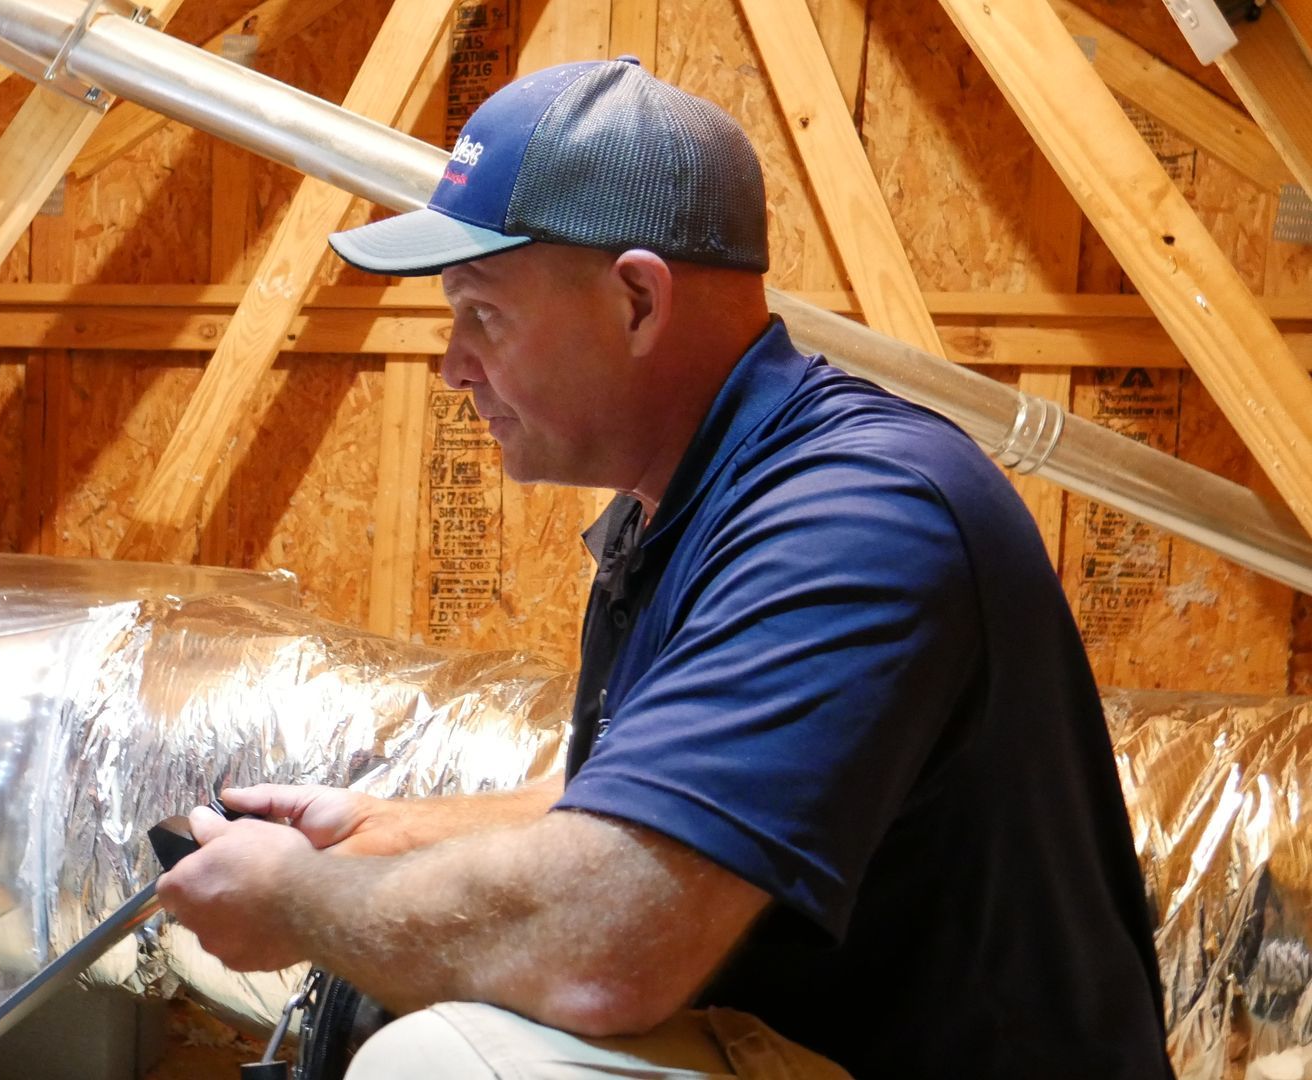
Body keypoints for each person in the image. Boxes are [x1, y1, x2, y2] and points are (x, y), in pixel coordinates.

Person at [156, 57, 1173, 1079]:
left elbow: (609, 946)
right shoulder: (685, 504)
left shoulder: (860, 517)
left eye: (483, 313)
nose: (455, 365)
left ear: (638, 301)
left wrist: (297, 903)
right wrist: (383, 831)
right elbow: (634, 805)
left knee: (450, 1063)